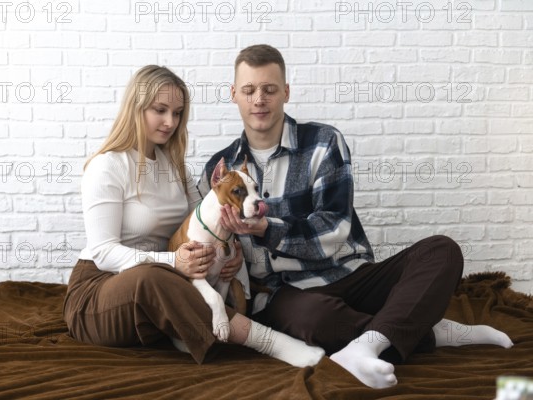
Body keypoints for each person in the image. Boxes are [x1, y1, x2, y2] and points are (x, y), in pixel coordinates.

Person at [198, 44, 514, 389]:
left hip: (350, 272)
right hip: (285, 292)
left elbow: (334, 228)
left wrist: (266, 229)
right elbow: (208, 235)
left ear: (285, 92)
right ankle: (429, 331)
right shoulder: (220, 169)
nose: (259, 99)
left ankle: (367, 346)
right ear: (234, 95)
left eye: (269, 89)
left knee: (442, 251)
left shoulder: (324, 142)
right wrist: (222, 256)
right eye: (249, 90)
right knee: (315, 321)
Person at [62, 64, 325, 368]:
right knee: (150, 277)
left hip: (164, 284)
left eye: (177, 113)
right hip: (100, 292)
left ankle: (182, 328)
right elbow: (104, 253)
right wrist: (173, 261)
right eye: (159, 110)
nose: (170, 122)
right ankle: (270, 342)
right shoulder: (107, 166)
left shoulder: (175, 168)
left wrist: (231, 254)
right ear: (136, 107)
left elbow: (202, 227)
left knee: (168, 278)